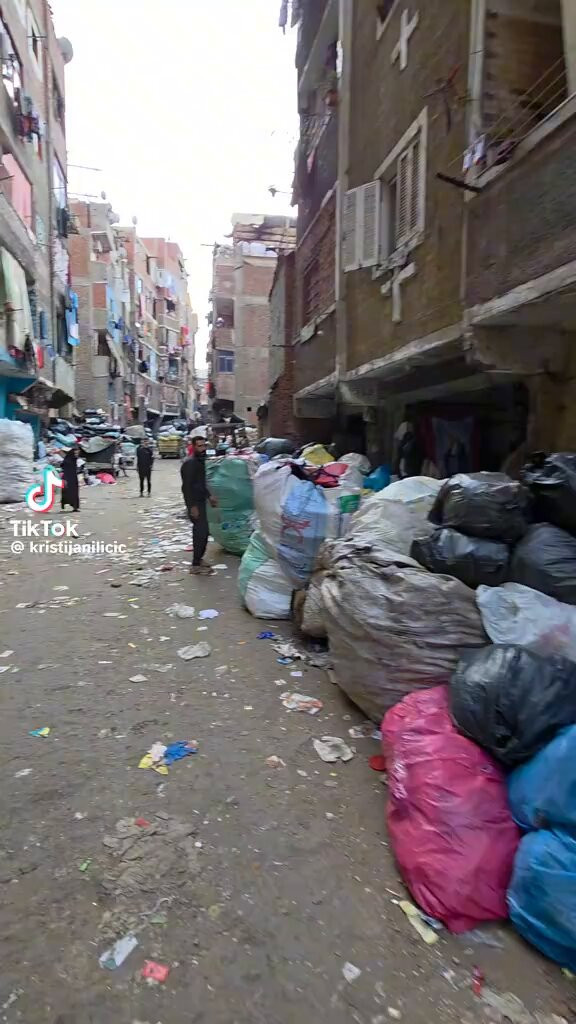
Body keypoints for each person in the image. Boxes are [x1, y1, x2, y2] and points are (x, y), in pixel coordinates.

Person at [181, 436, 218, 575]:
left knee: (204, 532)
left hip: (201, 501)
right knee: (200, 533)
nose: (203, 449)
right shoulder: (190, 463)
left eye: (204, 446)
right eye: (199, 446)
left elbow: (200, 483)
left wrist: (209, 496)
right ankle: (195, 565)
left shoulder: (200, 462)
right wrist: (192, 507)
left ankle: (199, 559)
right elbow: (186, 487)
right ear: (194, 447)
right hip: (195, 503)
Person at [61, 445, 80, 512]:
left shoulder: (73, 459)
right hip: (67, 478)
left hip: (73, 478)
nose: (77, 455)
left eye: (77, 453)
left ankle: (75, 507)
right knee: (67, 492)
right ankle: (65, 505)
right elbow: (64, 468)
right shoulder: (68, 460)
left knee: (74, 493)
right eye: (75, 453)